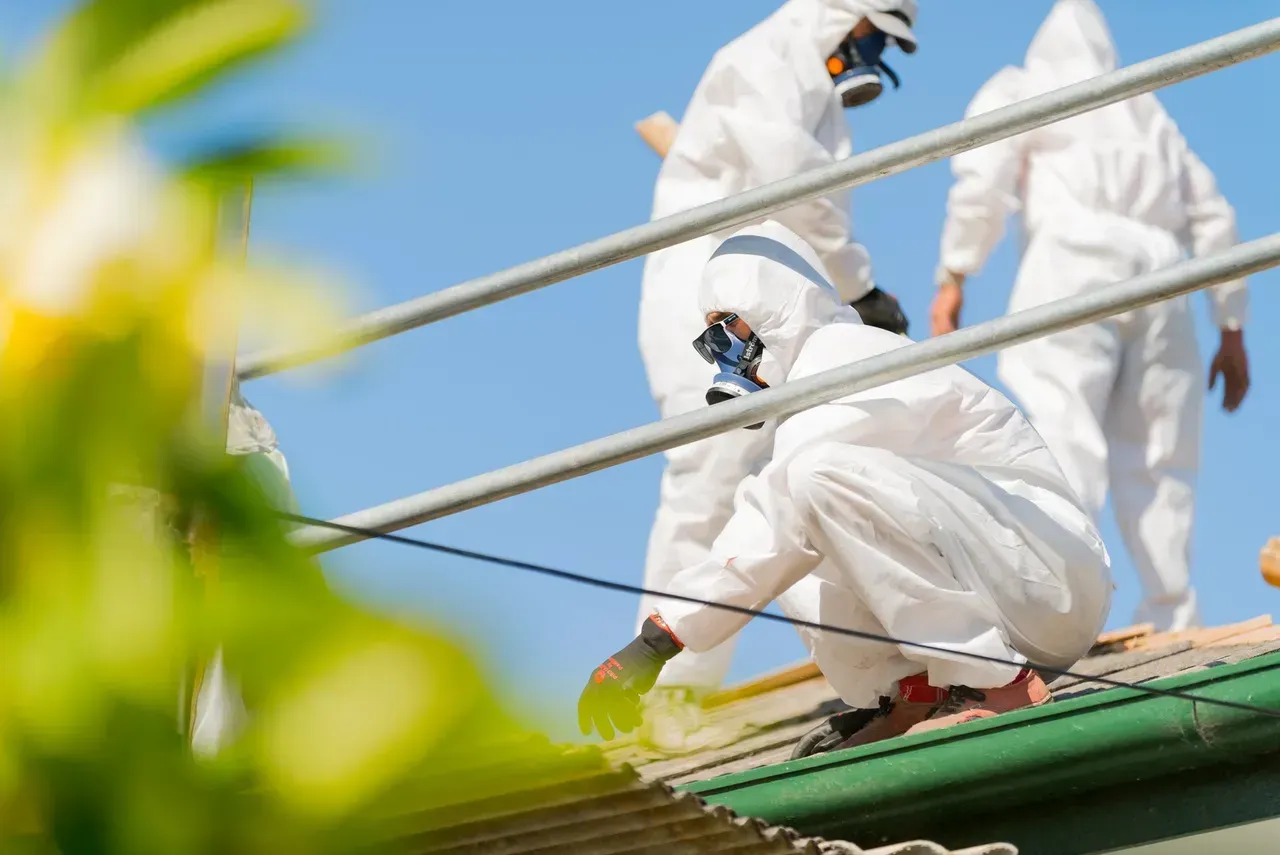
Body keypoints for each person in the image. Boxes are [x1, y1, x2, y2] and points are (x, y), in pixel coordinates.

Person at [581, 220, 1113, 752]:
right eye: (710, 337)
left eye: (728, 325)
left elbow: (772, 518)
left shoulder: (848, 354)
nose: (721, 349)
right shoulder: (809, 395)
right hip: (1005, 588)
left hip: (1049, 580)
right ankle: (918, 691)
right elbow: (775, 523)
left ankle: (993, 682)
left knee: (810, 484)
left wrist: (659, 639)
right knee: (796, 518)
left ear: (775, 304)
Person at [634, 0, 919, 752]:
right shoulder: (766, 59)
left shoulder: (808, 79)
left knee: (806, 467)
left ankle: (866, 662)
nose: (870, 57)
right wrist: (859, 285)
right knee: (709, 472)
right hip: (710, 287)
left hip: (767, 285)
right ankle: (668, 687)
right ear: (847, 17)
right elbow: (792, 183)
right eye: (871, 37)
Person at [930, 0, 1250, 632]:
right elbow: (1214, 214)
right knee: (1161, 454)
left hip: (1073, 259)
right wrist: (1231, 326)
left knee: (1059, 430)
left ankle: (1064, 610)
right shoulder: (1145, 109)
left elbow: (983, 179)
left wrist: (954, 276)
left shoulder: (1024, 87)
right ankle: (1173, 613)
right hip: (1164, 273)